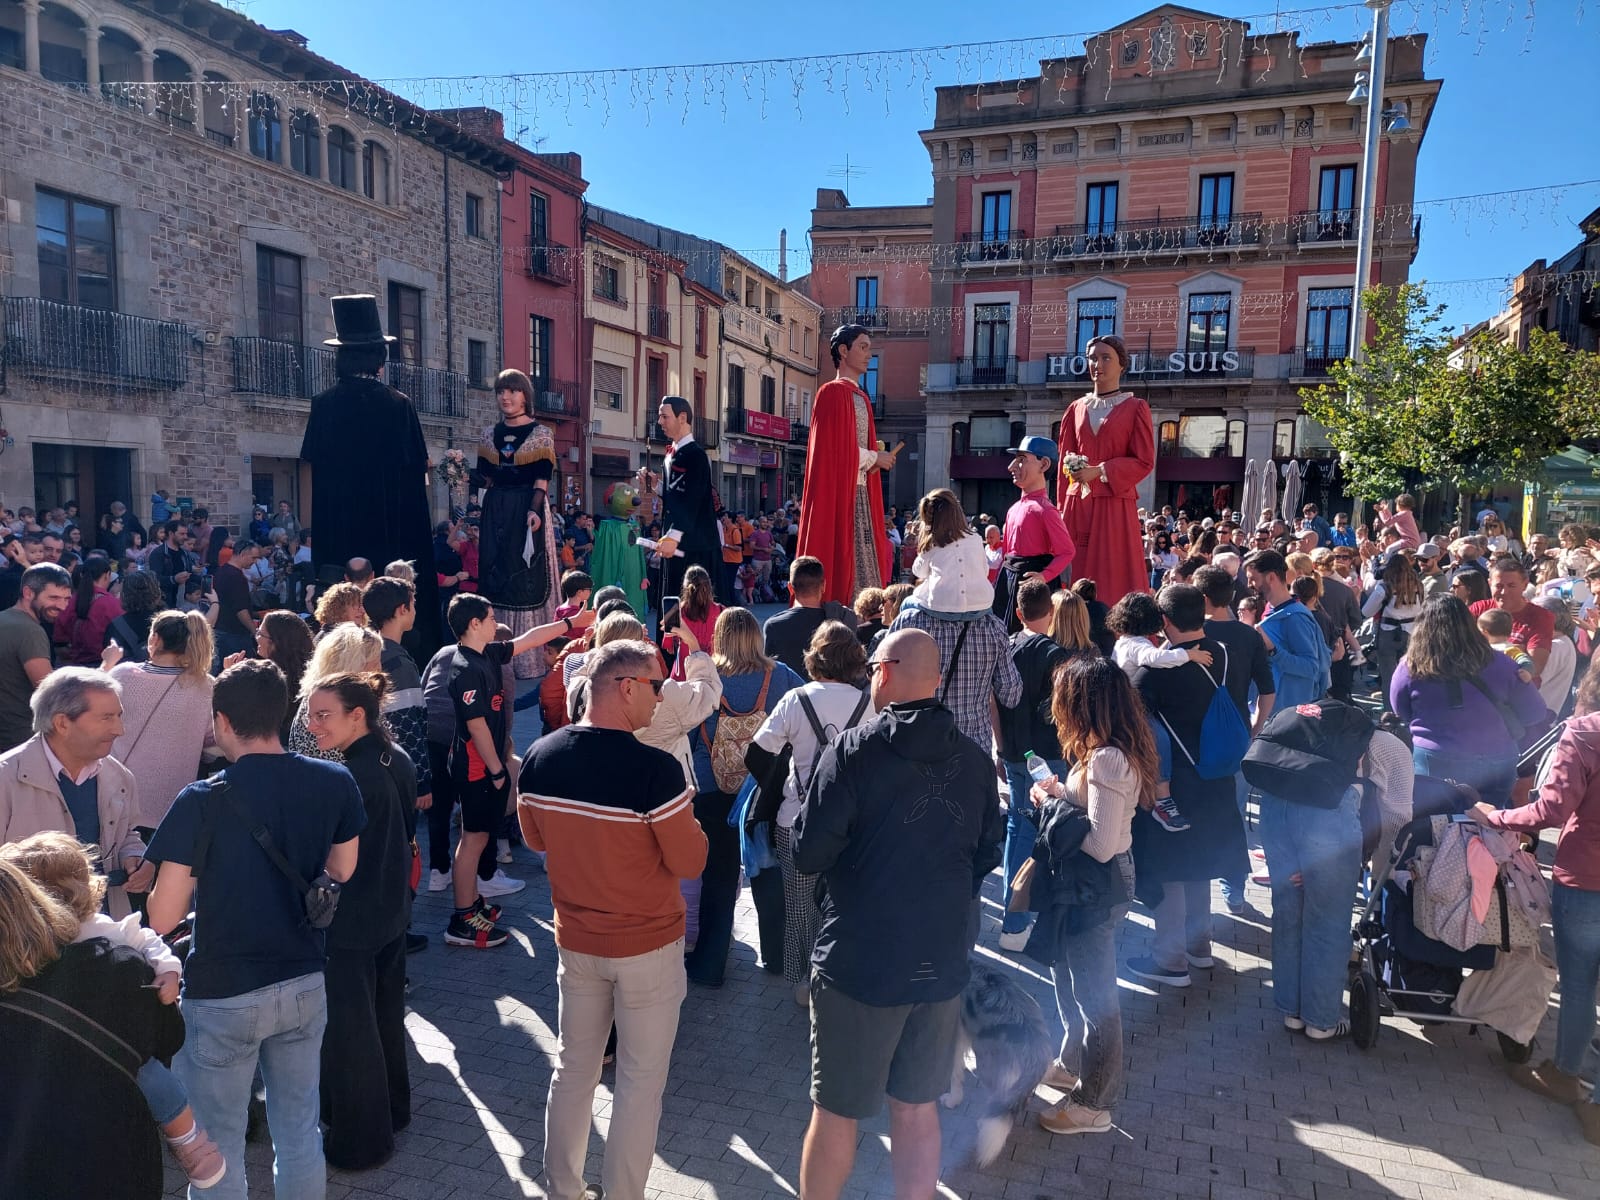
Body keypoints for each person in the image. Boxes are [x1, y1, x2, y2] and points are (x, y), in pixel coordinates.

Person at [792, 628, 1002, 1200]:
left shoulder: (854, 751)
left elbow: (809, 853)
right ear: (935, 681)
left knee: (836, 1114)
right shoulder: (977, 761)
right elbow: (989, 855)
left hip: (861, 959)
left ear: (881, 671)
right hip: (941, 958)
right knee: (917, 1109)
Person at [144, 660, 365, 1200]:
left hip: (224, 991)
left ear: (221, 722)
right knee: (298, 1131)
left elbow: (164, 917)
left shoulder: (203, 798)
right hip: (304, 979)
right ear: (284, 714)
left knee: (217, 1146)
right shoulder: (334, 778)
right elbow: (342, 871)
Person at [517, 638, 709, 1200]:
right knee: (639, 1084)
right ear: (625, 687)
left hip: (576, 941)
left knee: (573, 1070)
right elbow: (690, 860)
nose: (661, 695)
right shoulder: (655, 770)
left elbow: (535, 839)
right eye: (655, 684)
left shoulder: (541, 756)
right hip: (647, 945)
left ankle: (563, 1190)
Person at [2, 832, 225, 1188]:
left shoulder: (96, 933)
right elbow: (168, 1036)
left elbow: (148, 940)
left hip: (34, 1145)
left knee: (153, 1078)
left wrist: (169, 970)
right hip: (107, 1151)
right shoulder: (107, 959)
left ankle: (189, 1142)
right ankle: (188, 1140)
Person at [1028, 655, 1157, 1135]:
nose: (1056, 706)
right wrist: (1061, 794)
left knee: (1095, 996)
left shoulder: (1106, 757)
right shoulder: (1107, 750)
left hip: (1096, 885)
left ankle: (1095, 1103)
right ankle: (1074, 1064)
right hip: (1089, 884)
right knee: (1073, 980)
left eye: (1063, 697)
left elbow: (1101, 844)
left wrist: (1053, 808)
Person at [1471, 670, 1600, 1143]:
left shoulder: (1585, 732)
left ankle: (1570, 1076)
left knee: (1581, 985)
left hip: (1587, 878)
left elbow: (1550, 810)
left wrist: (1495, 816)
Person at [303, 673, 415, 1170]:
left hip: (352, 920)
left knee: (351, 1031)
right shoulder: (397, 759)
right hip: (391, 909)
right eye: (310, 713)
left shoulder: (345, 777)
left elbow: (330, 858)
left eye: (323, 715)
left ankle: (361, 1141)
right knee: (385, 1016)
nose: (312, 724)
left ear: (358, 716)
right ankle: (393, 1109)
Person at [443, 594, 590, 948]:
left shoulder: (488, 653)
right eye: (491, 617)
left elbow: (530, 639)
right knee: (473, 839)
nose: (496, 623)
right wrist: (497, 770)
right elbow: (476, 725)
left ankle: (473, 902)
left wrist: (571, 623)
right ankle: (462, 919)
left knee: (480, 836)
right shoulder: (464, 667)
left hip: (485, 764)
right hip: (476, 766)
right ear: (474, 624)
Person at [1125, 586, 1250, 989]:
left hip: (1174, 785)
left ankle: (1170, 959)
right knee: (1200, 866)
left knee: (1169, 871)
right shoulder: (1225, 653)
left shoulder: (1155, 671)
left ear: (1164, 620)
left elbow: (1135, 725)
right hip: (1218, 776)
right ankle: (1200, 947)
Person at [300, 295, 440, 652]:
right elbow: (415, 478)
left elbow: (313, 477)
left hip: (339, 538)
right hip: (391, 537)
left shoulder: (323, 405)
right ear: (380, 358)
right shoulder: (397, 404)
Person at [747, 621, 875, 1006]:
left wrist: (785, 782)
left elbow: (756, 753)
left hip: (796, 820)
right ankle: (840, 976)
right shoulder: (868, 704)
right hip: (853, 825)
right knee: (846, 902)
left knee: (800, 906)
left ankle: (806, 980)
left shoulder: (796, 699)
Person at [685, 608, 803, 986]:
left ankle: (710, 964)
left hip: (711, 788)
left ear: (719, 639)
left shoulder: (707, 680)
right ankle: (776, 957)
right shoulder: (781, 676)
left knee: (717, 878)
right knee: (768, 872)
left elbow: (687, 734)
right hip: (762, 790)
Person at [0, 666, 149, 917]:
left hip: (100, 927)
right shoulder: (6, 778)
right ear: (62, 723)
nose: (119, 729)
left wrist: (135, 856)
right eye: (106, 718)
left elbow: (126, 835)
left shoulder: (120, 777)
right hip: (28, 933)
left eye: (118, 716)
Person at [1391, 596, 1550, 809]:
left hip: (1435, 758)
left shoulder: (1410, 668)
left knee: (1435, 825)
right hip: (1496, 758)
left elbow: (1400, 710)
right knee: (1489, 824)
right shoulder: (1503, 664)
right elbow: (1534, 713)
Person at [995, 578, 1077, 951]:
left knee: (1018, 831)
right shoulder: (1056, 654)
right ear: (1051, 612)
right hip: (1047, 754)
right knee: (1043, 834)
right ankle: (1023, 921)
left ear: (1017, 613)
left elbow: (992, 705)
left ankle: (1013, 919)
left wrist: (1000, 747)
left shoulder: (1006, 647)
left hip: (1014, 752)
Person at [795, 324, 896, 605]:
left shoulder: (861, 396)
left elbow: (850, 451)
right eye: (862, 347)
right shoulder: (829, 393)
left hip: (860, 493)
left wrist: (872, 460)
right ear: (843, 350)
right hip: (839, 496)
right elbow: (832, 451)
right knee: (843, 558)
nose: (869, 354)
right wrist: (874, 458)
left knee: (864, 559)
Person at [1055, 334, 1156, 606]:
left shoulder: (1136, 407)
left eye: (1105, 357)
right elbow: (1064, 463)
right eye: (1092, 358)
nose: (1097, 364)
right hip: (1079, 505)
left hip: (1115, 503)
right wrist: (1063, 508)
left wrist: (1100, 470)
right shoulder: (1075, 409)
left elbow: (1145, 460)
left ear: (1122, 364)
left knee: (1114, 576)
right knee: (1077, 574)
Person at [474, 370, 561, 678]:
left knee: (526, 575)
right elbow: (484, 479)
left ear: (525, 395)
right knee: (495, 570)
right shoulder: (488, 434)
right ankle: (491, 648)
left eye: (512, 390)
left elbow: (541, 478)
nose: (505, 396)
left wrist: (535, 510)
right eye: (501, 391)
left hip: (527, 508)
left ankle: (530, 659)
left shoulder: (541, 434)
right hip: (496, 510)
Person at [110, 611, 216, 840]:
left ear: (155, 639)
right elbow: (212, 741)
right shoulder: (205, 686)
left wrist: (105, 664)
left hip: (118, 798)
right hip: (173, 803)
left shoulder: (121, 675)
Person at [990, 436, 1078, 633]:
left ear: (1044, 464)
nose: (1012, 466)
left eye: (1022, 459)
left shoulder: (1046, 510)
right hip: (1009, 578)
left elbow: (1067, 551)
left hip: (1030, 583)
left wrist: (1043, 576)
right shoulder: (1014, 508)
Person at [653, 396, 721, 601]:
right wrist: (656, 486)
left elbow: (693, 499)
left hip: (696, 547)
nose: (660, 422)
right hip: (677, 543)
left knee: (693, 608)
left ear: (682, 418)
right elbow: (677, 495)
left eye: (664, 416)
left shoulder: (696, 455)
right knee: (673, 605)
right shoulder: (671, 455)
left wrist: (673, 536)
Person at [0, 563, 72, 752]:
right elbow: (49, 693)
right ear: (28, 593)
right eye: (54, 597)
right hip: (19, 739)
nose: (62, 606)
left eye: (66, 599)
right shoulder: (30, 631)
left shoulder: (4, 618)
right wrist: (106, 666)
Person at [1245, 549, 1331, 708]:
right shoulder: (1271, 609)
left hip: (1286, 714)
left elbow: (1311, 668)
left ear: (1271, 577)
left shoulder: (1296, 618)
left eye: (1253, 579)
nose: (1249, 585)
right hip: (1270, 710)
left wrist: (1272, 650)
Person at [903, 488, 992, 619]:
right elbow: (985, 571)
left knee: (905, 604)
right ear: (958, 512)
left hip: (941, 607)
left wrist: (923, 545)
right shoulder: (976, 538)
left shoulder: (933, 542)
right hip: (981, 605)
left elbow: (919, 572)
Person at [763, 556, 858, 678]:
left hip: (791, 694)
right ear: (823, 585)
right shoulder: (843, 619)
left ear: (790, 588)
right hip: (833, 693)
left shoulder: (773, 625)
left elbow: (769, 673)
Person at [1470, 557, 1556, 684]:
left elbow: (1535, 666)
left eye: (1511, 586)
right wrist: (1514, 649)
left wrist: (1478, 647)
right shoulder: (1478, 609)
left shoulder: (1540, 616)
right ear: (1489, 584)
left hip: (1515, 692)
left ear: (1525, 584)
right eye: (1499, 586)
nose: (1504, 592)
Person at [1363, 552, 1424, 706]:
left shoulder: (1384, 588)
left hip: (1388, 633)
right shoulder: (1419, 586)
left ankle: (1390, 711)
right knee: (1411, 672)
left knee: (1388, 674)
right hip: (1412, 632)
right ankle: (1410, 706)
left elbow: (1366, 611)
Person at [255, 610, 316, 742]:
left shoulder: (267, 679)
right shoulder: (313, 674)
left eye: (260, 633)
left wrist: (231, 674)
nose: (257, 637)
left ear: (276, 642)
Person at [53, 555, 122, 667]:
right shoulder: (111, 603)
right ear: (107, 576)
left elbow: (59, 638)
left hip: (71, 664)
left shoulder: (68, 600)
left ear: (81, 575)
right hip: (102, 664)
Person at [664, 564, 723, 681]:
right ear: (709, 586)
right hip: (709, 675)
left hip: (682, 676)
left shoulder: (674, 611)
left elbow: (669, 648)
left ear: (685, 588)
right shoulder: (721, 611)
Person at [211, 540, 260, 666]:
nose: (255, 562)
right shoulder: (235, 577)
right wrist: (254, 631)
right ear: (243, 554)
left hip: (222, 629)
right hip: (235, 633)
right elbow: (241, 609)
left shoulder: (221, 571)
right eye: (253, 558)